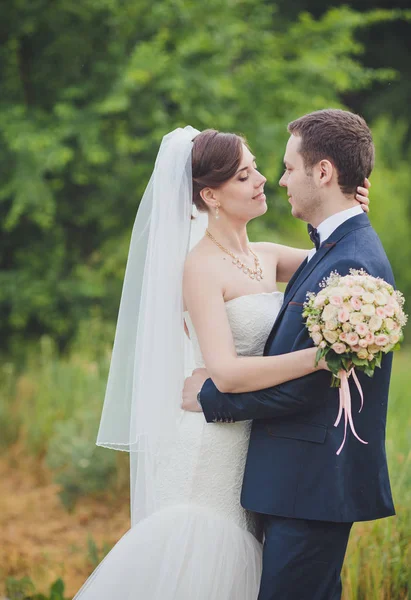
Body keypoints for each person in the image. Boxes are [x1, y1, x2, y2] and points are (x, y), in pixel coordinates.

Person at [73, 123, 370, 600]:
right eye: (244, 176)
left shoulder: (265, 256)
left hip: (254, 445)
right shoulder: (199, 268)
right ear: (210, 195)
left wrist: (352, 207)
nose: (262, 181)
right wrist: (320, 357)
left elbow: (336, 251)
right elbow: (227, 373)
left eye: (257, 170)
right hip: (209, 451)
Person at [182, 109, 395, 600]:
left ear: (323, 172)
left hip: (307, 483)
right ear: (210, 195)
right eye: (247, 173)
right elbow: (328, 249)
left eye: (285, 168)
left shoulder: (346, 265)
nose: (273, 181)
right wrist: (352, 212)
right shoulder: (333, 255)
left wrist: (213, 397)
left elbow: (308, 387)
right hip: (265, 470)